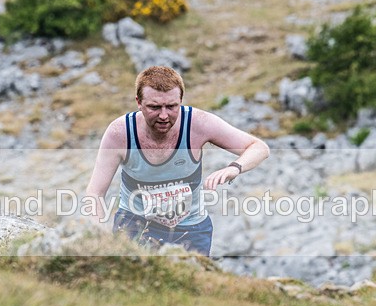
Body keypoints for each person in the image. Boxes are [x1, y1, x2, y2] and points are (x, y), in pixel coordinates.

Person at [84, 66, 270, 256]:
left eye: (172, 106)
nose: (164, 116)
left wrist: (235, 167)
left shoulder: (199, 123)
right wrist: (101, 238)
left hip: (191, 228)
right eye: (154, 107)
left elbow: (259, 147)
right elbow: (95, 192)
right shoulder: (120, 133)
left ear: (181, 100)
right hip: (135, 224)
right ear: (139, 102)